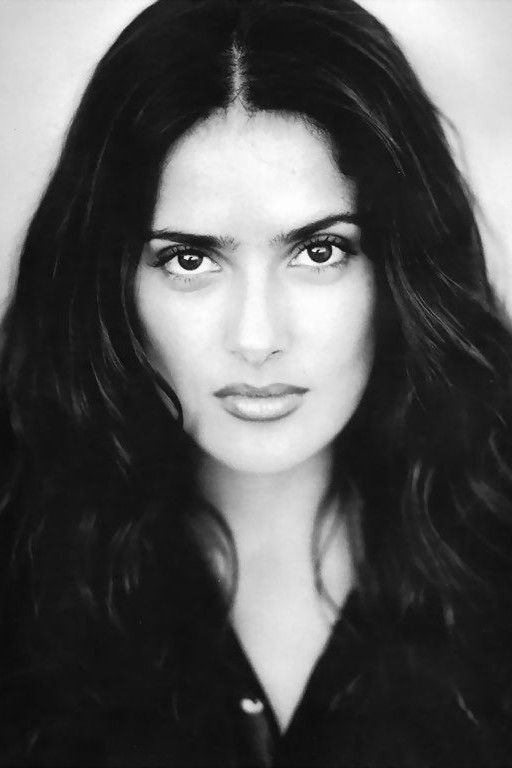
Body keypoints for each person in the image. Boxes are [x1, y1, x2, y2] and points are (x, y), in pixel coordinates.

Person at [1, 0, 512, 765]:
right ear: (107, 282)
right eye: (190, 260)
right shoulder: (19, 570)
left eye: (319, 252)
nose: (257, 338)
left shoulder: (496, 553)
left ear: (403, 264)